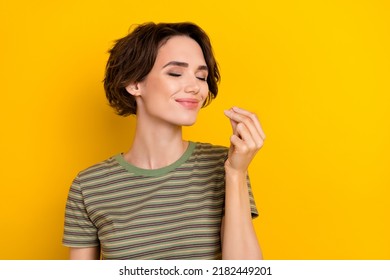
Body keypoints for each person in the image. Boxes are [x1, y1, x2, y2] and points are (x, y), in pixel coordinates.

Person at [62, 22, 266, 260]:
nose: (195, 88)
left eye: (201, 77)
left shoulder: (225, 165)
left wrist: (235, 173)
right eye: (175, 73)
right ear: (134, 83)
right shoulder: (89, 187)